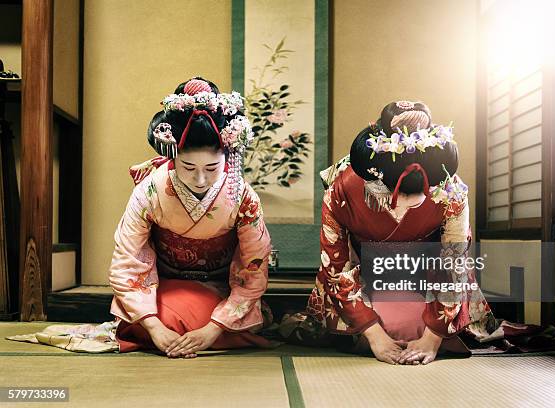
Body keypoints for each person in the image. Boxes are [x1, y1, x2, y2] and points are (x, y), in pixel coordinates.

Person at [290, 100, 495, 365]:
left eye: (418, 194)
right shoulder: (342, 189)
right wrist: (374, 335)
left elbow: (454, 265)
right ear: (376, 171)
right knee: (383, 326)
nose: (406, 204)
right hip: (363, 276)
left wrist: (432, 338)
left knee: (418, 326)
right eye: (397, 193)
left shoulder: (449, 190)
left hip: (429, 275)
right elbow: (336, 268)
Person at [109, 77, 273, 357]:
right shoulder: (150, 190)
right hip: (163, 286)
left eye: (212, 168)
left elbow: (253, 267)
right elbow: (128, 260)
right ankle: (164, 330)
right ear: (172, 156)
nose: (200, 179)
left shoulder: (242, 195)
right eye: (188, 167)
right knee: (155, 318)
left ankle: (211, 331)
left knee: (220, 317)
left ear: (228, 155)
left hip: (220, 290)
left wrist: (213, 329)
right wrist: (155, 328)